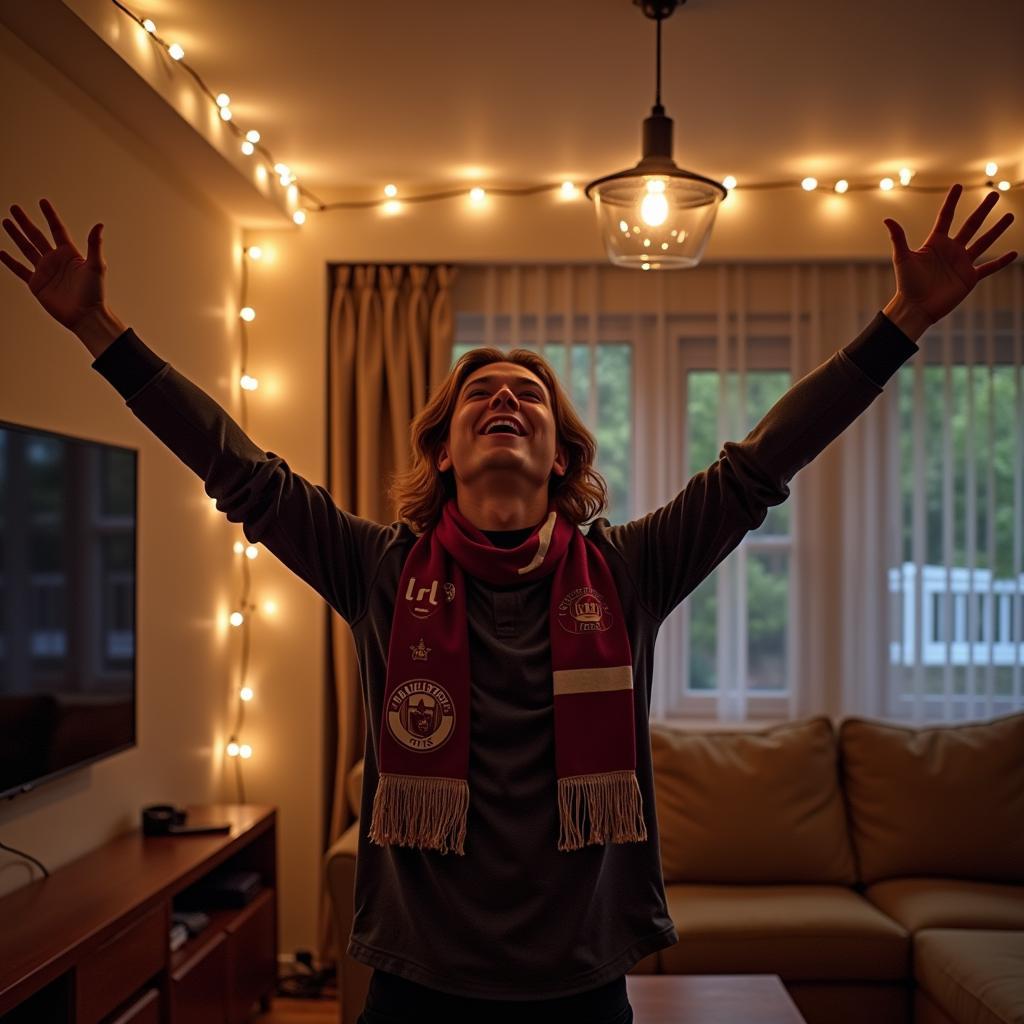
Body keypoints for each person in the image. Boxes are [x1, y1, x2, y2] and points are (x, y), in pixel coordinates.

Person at [1, 187, 1015, 1024]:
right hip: (414, 976)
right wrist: (98, 326)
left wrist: (904, 322)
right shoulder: (379, 568)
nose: (504, 401)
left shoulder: (628, 568)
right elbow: (242, 471)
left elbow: (761, 464)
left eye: (528, 398)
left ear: (560, 454)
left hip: (579, 978)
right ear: (442, 448)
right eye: (480, 392)